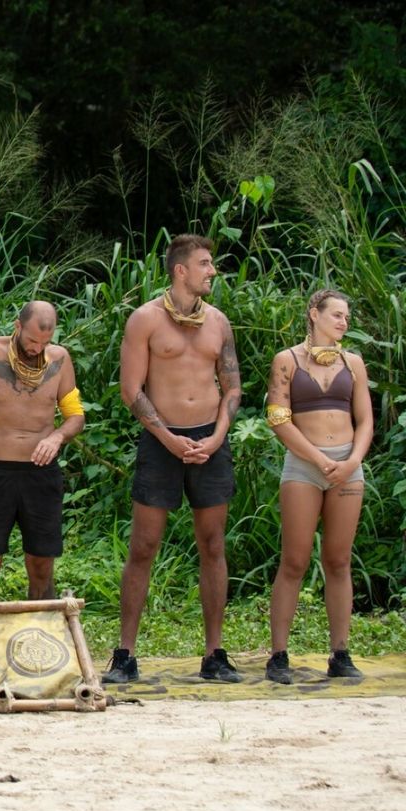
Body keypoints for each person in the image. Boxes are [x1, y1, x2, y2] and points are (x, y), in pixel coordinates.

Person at [108, 234, 241, 684]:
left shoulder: (218, 322)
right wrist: (166, 438)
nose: (212, 271)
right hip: (160, 441)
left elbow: (233, 386)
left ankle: (214, 653)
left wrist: (217, 436)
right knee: (143, 545)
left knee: (213, 543)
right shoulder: (145, 319)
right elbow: (131, 390)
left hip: (209, 441)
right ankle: (125, 654)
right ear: (180, 270)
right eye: (205, 263)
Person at [0, 301, 85, 686]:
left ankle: (40, 653)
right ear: (17, 327)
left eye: (44, 342)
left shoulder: (59, 359)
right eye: (31, 340)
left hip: (41, 473)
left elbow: (75, 415)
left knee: (41, 564)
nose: (37, 348)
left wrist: (57, 437)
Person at [264, 289, 373, 683]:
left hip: (346, 466)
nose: (344, 322)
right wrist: (317, 458)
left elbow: (365, 420)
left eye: (346, 316)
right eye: (337, 315)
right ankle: (278, 656)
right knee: (294, 560)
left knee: (339, 560)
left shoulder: (353, 363)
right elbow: (278, 418)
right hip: (305, 466)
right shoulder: (287, 360)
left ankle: (340, 653)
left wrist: (352, 462)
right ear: (315, 314)